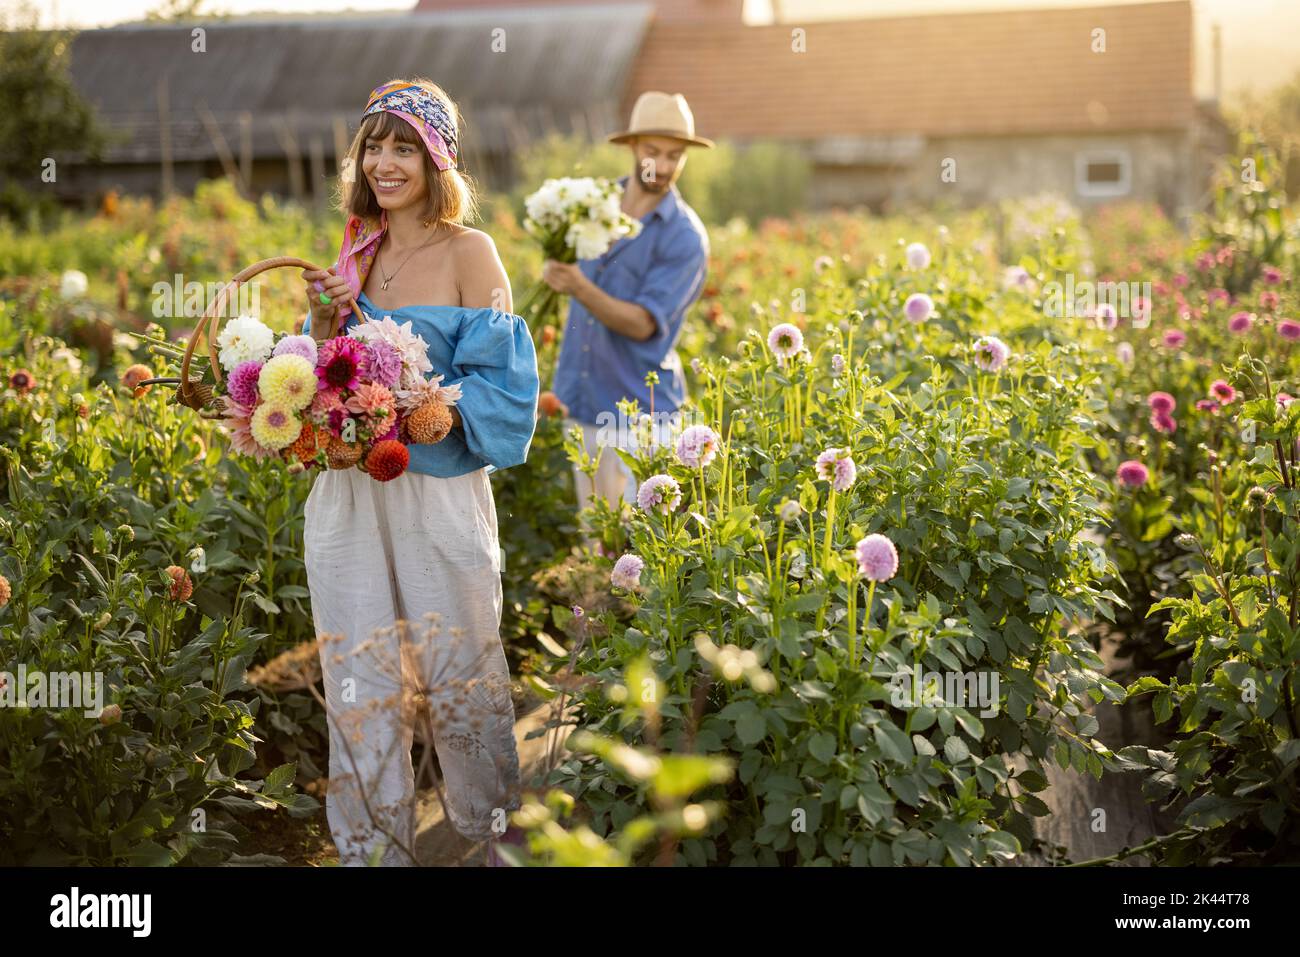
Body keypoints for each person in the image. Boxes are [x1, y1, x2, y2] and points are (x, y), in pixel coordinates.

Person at [298, 77, 538, 867]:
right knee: (358, 668)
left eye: (405, 145)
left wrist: (414, 403)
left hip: (434, 488)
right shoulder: (355, 250)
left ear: (438, 159)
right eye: (375, 144)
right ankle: (374, 847)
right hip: (351, 492)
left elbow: (506, 387)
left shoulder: (473, 253)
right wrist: (327, 320)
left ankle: (489, 830)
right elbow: (319, 372)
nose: (386, 162)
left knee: (460, 658)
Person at [543, 91, 712, 534]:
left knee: (642, 552)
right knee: (596, 542)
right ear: (633, 148)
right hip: (582, 403)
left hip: (641, 417)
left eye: (676, 155)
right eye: (654, 151)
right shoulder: (593, 205)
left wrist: (578, 285)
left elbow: (641, 323)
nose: (666, 164)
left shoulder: (684, 238)